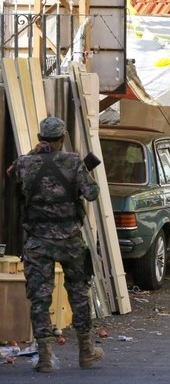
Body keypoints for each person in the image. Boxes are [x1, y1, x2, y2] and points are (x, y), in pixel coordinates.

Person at [6, 117, 104, 372]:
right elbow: (92, 193)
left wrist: (32, 152)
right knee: (79, 293)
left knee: (40, 298)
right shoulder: (72, 161)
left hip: (38, 242)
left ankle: (46, 358)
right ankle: (86, 351)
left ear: (40, 139)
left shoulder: (25, 163)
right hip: (70, 240)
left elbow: (10, 174)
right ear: (62, 138)